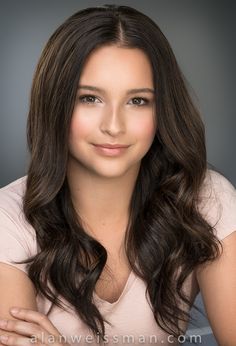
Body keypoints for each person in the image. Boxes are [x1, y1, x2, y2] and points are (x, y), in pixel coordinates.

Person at [0, 4, 235, 346]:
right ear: (55, 103)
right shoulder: (7, 220)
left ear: (163, 110)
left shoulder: (205, 199)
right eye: (90, 98)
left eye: (138, 101)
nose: (114, 126)